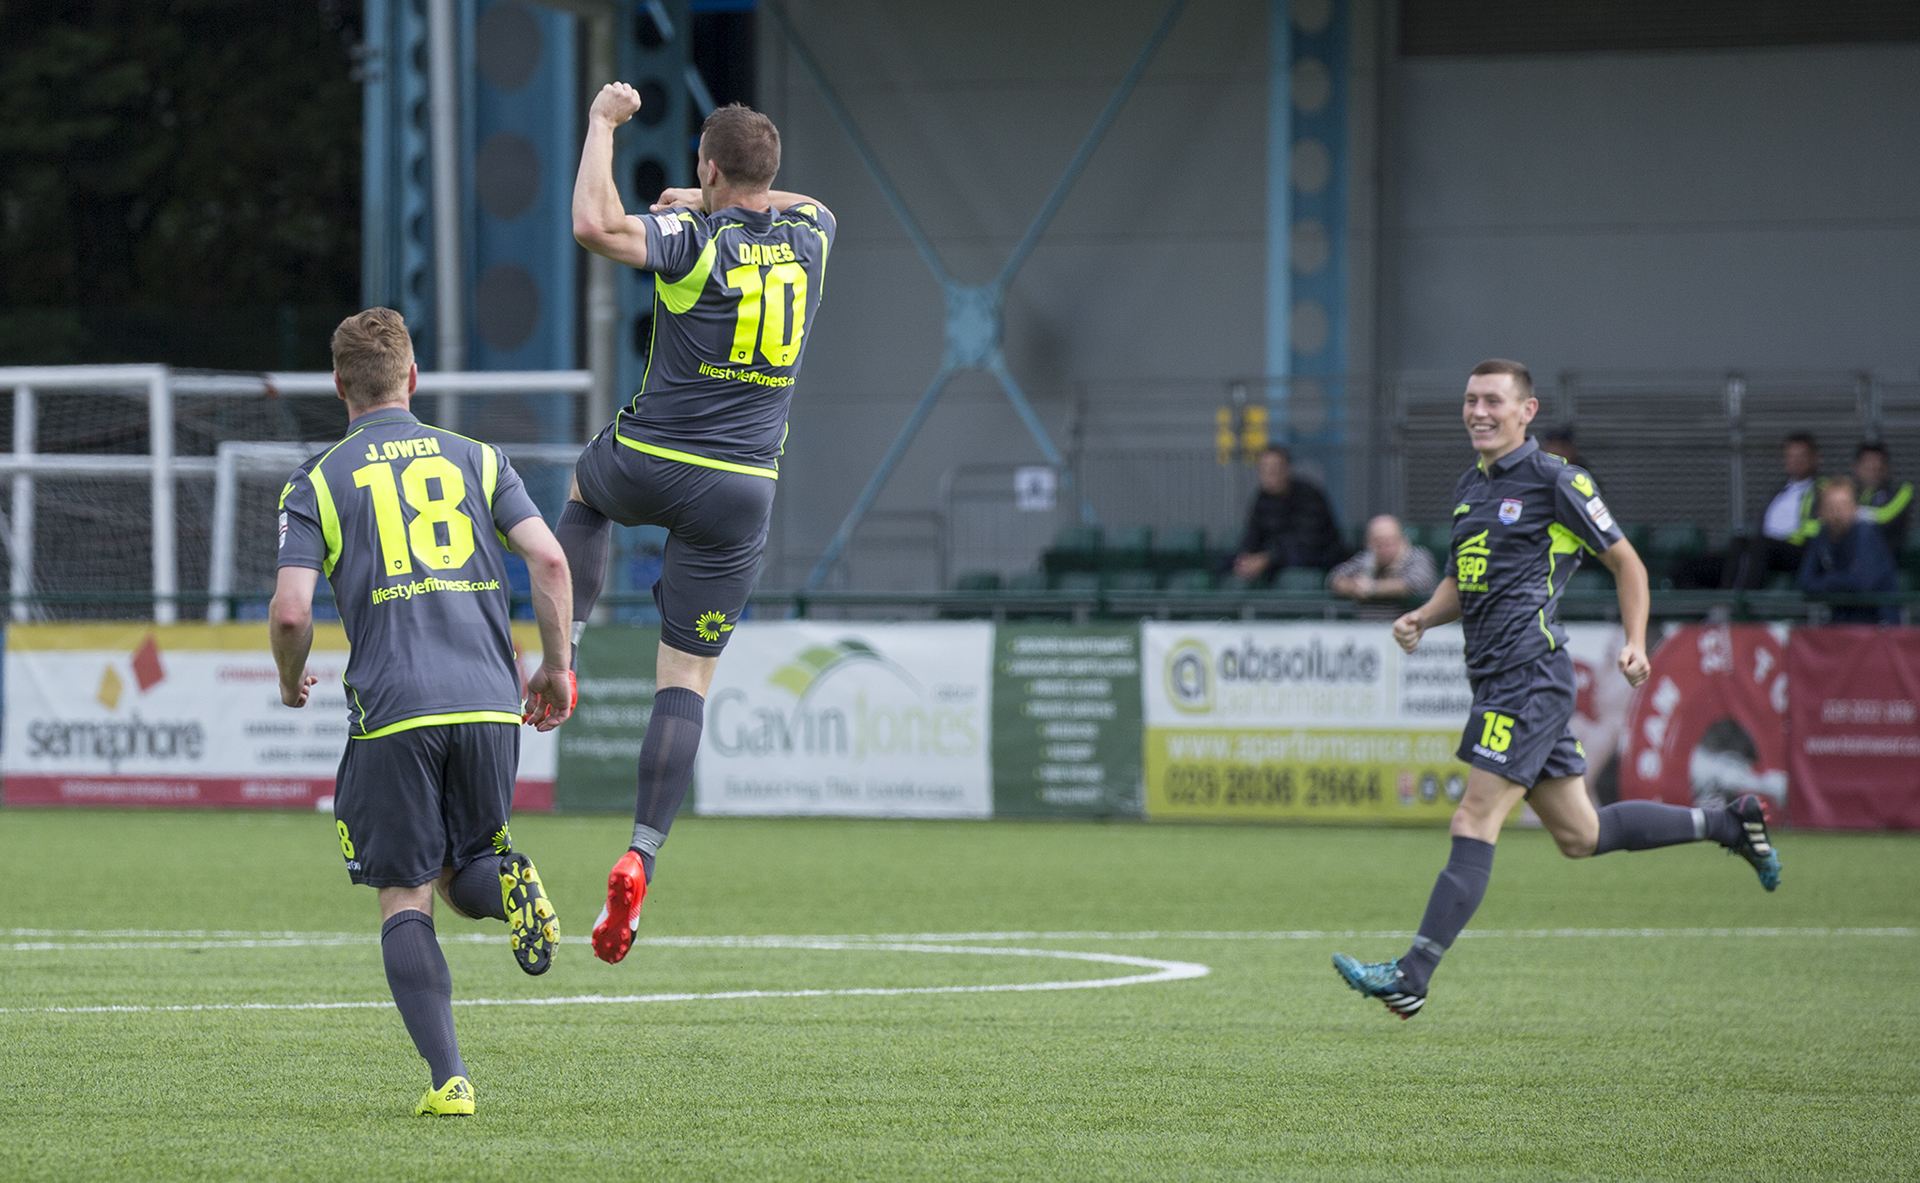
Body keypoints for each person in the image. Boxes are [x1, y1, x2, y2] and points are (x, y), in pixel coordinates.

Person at [1332, 359, 1780, 1020]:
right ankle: (1729, 823)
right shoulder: (1470, 487)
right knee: (1581, 833)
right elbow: (1464, 577)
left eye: (1492, 400)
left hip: (1529, 676)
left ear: (1527, 411)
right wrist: (1424, 616)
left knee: (1473, 817)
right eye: (1470, 400)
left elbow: (1627, 561)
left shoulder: (1555, 480)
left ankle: (1413, 973)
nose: (1478, 412)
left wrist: (1635, 639)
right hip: (1496, 679)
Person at [270, 308, 577, 1115]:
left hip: (395, 709)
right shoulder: (480, 459)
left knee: (404, 892)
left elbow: (293, 612)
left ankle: (450, 1080)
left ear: (340, 388)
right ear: (413, 378)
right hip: (489, 698)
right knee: (462, 867)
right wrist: (556, 666)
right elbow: (548, 555)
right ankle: (510, 879)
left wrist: (287, 677)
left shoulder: (319, 479)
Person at [564, 88, 834, 964]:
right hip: (742, 489)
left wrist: (605, 126)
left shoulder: (696, 240)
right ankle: (641, 850)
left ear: (708, 167)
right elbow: (809, 204)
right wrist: (726, 193)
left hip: (653, 458)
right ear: (771, 173)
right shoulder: (810, 240)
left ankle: (561, 650)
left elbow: (595, 225)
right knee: (685, 677)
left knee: (586, 489)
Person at [1230, 445, 1344, 583]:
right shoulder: (1261, 498)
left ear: (1287, 469)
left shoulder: (1309, 495)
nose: (1271, 474)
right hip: (1280, 558)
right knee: (1226, 563)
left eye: (1276, 468)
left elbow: (1308, 543)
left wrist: (1267, 559)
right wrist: (1247, 558)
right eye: (1265, 469)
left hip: (1317, 558)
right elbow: (1252, 537)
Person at [1722, 432, 1821, 589]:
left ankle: (1744, 605)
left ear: (1814, 458)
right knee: (1738, 541)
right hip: (1767, 546)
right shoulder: (1778, 491)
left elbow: (1816, 528)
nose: (1796, 461)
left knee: (1761, 545)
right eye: (1791, 456)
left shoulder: (1822, 490)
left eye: (1801, 456)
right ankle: (1724, 600)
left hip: (1800, 550)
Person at [1800, 477, 1899, 624]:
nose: (1837, 513)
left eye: (1843, 505)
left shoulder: (1866, 534)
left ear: (1855, 507)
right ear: (1821, 512)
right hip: (1839, 624)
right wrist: (1839, 581)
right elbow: (1805, 581)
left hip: (1877, 624)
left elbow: (1864, 584)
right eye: (1831, 506)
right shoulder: (1821, 536)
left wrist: (1829, 580)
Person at [1328, 514, 1439, 603]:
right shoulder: (1366, 559)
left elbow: (1415, 584)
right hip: (1365, 627)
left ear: (1402, 540)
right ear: (1369, 543)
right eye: (1379, 542)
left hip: (1408, 624)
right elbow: (1334, 578)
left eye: (1391, 541)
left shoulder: (1418, 556)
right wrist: (1354, 587)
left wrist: (1372, 588)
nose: (1385, 548)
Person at [1853, 443, 1912, 552]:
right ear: (1857, 467)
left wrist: (1853, 513)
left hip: (1885, 560)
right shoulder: (1848, 495)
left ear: (1886, 468)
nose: (1873, 472)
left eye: (1877, 467)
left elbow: (1886, 519)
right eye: (1868, 467)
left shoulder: (1899, 495)